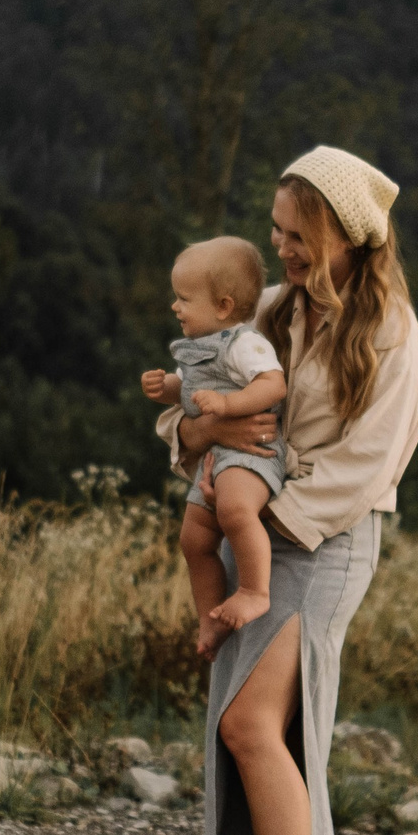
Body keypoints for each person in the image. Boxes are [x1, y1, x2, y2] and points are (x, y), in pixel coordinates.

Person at [156, 146, 418, 835]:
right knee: (292, 728)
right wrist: (196, 437)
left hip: (324, 540)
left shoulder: (393, 334)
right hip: (259, 535)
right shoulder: (271, 312)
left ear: (347, 235)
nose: (283, 250)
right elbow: (189, 410)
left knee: (249, 723)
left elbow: (368, 464)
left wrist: (267, 514)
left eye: (299, 234)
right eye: (277, 231)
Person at [141, 236, 290, 658]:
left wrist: (228, 404)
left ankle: (254, 590)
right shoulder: (196, 347)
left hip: (251, 453)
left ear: (223, 306)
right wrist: (165, 387)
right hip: (217, 459)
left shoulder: (245, 343)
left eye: (184, 298)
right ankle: (209, 616)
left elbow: (273, 383)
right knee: (193, 537)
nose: (175, 306)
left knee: (234, 511)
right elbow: (190, 391)